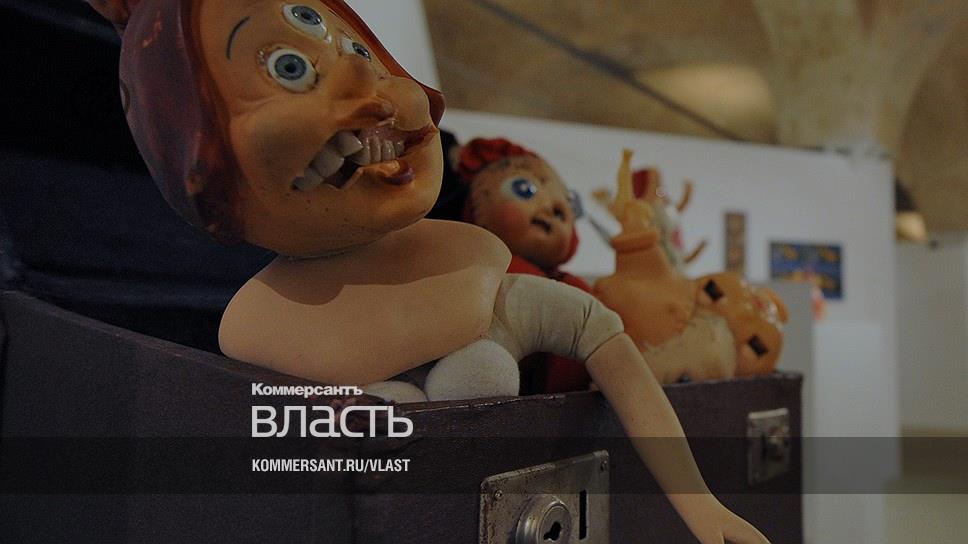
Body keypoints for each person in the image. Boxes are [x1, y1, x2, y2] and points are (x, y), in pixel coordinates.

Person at [89, 1, 770, 542]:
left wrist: (699, 503)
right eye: (291, 68)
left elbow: (608, 344)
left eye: (360, 52)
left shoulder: (482, 282)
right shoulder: (262, 337)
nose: (373, 86)